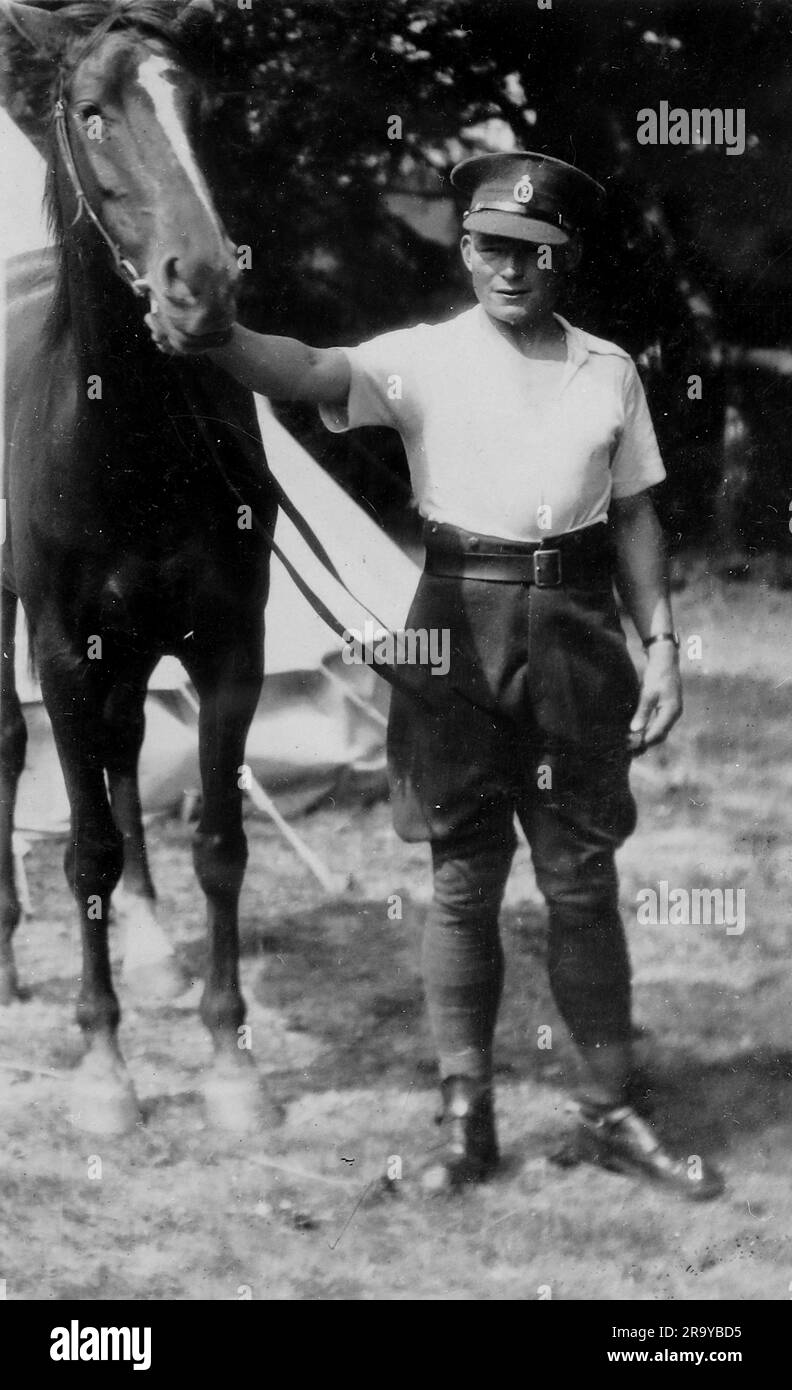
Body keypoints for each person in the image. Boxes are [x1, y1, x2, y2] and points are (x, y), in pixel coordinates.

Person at [146, 149, 723, 1201]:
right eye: (492, 247)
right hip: (455, 625)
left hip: (577, 632)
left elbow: (636, 512)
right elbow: (313, 371)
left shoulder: (610, 371)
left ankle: (607, 1106)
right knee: (461, 879)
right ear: (463, 250)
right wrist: (221, 338)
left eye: (535, 253)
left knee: (582, 881)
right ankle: (468, 1115)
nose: (511, 269)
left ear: (568, 261)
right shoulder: (422, 358)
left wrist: (667, 647)